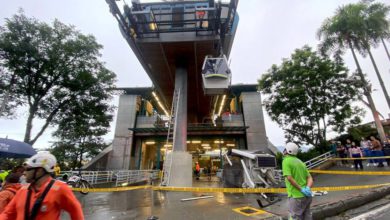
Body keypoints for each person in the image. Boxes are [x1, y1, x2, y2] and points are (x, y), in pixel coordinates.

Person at [0, 151, 84, 220]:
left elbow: (75, 211)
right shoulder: (23, 190)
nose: (24, 173)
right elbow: (8, 214)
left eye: (28, 169)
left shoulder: (60, 189)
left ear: (39, 170)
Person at [282, 143, 313, 220]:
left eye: (285, 149)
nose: (284, 151)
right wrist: (307, 188)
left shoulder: (286, 161)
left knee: (295, 217)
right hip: (307, 196)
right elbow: (309, 178)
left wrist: (301, 189)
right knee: (307, 215)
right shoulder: (300, 162)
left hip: (296, 196)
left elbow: (289, 177)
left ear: (288, 151)